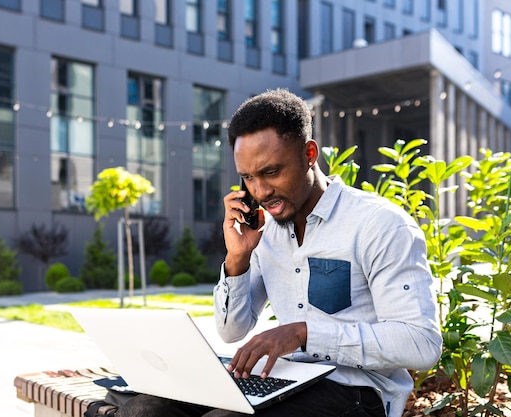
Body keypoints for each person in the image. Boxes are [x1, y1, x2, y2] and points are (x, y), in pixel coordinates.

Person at [116, 89, 442, 417]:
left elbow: (421, 344)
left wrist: (303, 334)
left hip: (357, 390)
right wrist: (238, 258)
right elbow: (232, 330)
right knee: (142, 410)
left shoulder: (379, 224)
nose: (260, 191)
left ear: (309, 154)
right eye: (247, 177)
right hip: (285, 378)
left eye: (271, 172)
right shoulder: (264, 231)